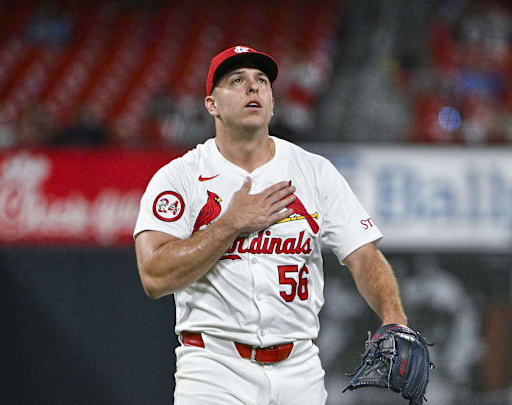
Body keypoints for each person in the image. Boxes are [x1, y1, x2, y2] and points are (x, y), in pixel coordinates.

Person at [133, 45, 409, 404]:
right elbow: (154, 276)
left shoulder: (314, 171)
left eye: (262, 81)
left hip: (300, 368)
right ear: (211, 104)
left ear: (273, 101)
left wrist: (394, 315)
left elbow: (363, 254)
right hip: (214, 368)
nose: (253, 88)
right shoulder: (181, 177)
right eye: (237, 80)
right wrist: (230, 223)